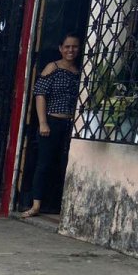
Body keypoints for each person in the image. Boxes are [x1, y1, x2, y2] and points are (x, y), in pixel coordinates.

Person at [23, 33, 82, 218]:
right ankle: (36, 205)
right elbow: (40, 94)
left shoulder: (79, 71)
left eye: (74, 47)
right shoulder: (53, 67)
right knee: (44, 164)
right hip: (52, 122)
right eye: (67, 47)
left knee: (63, 164)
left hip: (70, 124)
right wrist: (43, 122)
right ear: (60, 48)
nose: (70, 50)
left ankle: (57, 205)